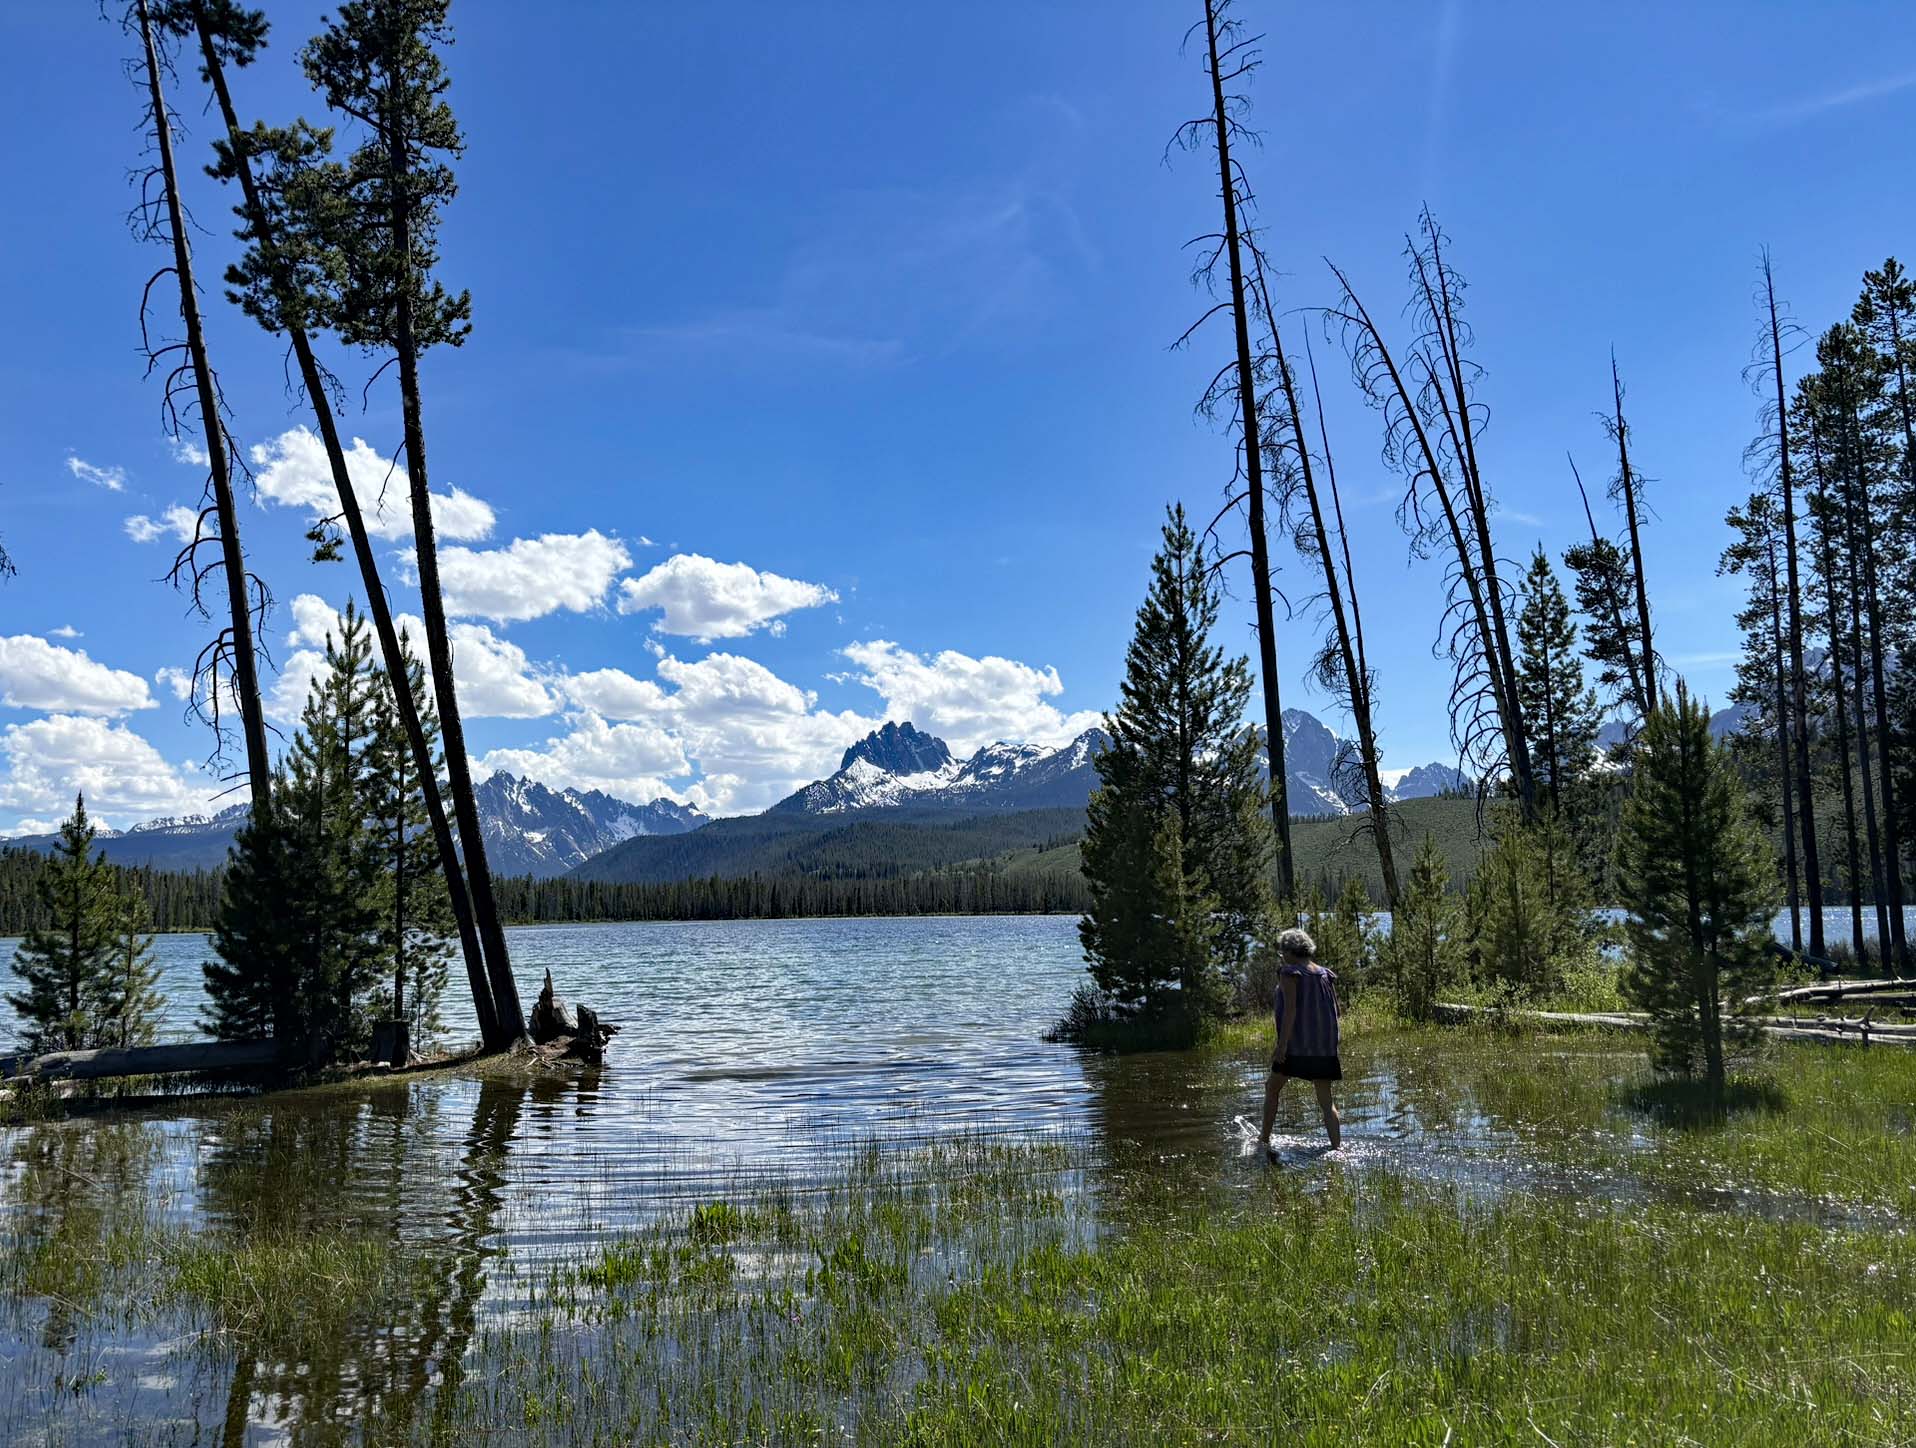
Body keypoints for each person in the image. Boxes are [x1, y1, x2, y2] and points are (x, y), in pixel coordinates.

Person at [1258, 927, 1342, 1154]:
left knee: (1272, 1088)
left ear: (1289, 951)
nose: (1281, 956)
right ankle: (1337, 1150)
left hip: (1296, 1046)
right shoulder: (1325, 974)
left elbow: (1290, 1011)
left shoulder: (1290, 973)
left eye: (1282, 952)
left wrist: (1281, 1046)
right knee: (1326, 1102)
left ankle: (1263, 1140)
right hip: (1324, 1048)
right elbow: (1337, 1011)